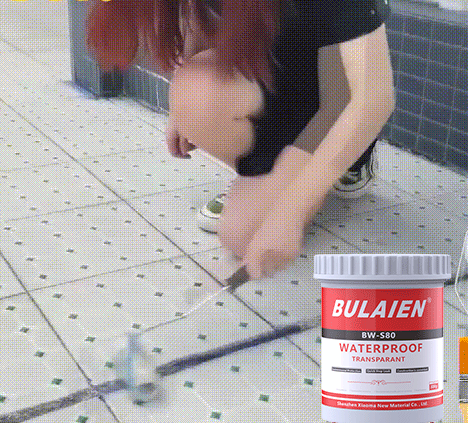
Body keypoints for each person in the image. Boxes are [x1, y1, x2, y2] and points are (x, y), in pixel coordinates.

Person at [87, 0, 395, 280]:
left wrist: (292, 209)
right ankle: (275, 180)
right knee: (241, 232)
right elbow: (199, 15)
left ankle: (348, 159)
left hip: (335, 91)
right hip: (272, 73)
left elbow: (370, 100)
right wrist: (183, 108)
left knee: (244, 233)